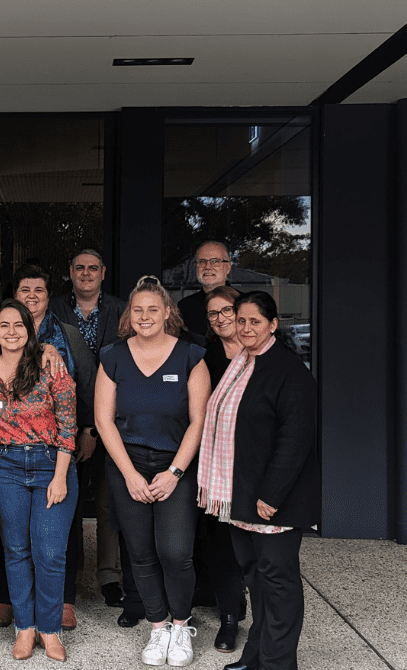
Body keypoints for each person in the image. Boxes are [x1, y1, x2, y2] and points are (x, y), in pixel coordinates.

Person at [198, 291, 319, 670]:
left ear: (272, 325)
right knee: (256, 579)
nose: (246, 327)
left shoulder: (288, 371)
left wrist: (271, 494)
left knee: (278, 583)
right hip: (242, 496)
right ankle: (257, 658)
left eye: (255, 321)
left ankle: (279, 664)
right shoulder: (242, 365)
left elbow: (295, 439)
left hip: (273, 501)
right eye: (242, 320)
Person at [95, 276, 210, 668]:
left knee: (175, 552)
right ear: (129, 315)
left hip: (175, 465)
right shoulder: (112, 356)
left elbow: (199, 421)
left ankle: (181, 626)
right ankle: (158, 627)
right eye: (138, 310)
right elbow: (103, 420)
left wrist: (175, 471)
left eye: (153, 309)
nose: (145, 316)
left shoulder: (191, 356)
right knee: (141, 553)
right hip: (127, 464)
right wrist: (129, 474)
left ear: (167, 313)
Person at [0, 264, 94, 632]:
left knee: (50, 553)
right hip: (5, 466)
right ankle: (24, 628)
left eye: (19, 325)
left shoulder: (52, 364)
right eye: (4, 325)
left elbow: (68, 424)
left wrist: (62, 474)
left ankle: (50, 629)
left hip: (51, 462)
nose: (12, 331)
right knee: (15, 551)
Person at [47, 249, 139, 625]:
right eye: (79, 268)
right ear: (70, 273)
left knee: (107, 504)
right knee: (65, 504)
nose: (86, 273)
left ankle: (108, 577)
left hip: (114, 421)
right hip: (64, 423)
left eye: (93, 268)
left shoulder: (121, 309)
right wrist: (83, 427)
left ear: (103, 273)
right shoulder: (51, 308)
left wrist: (98, 426)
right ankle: (69, 581)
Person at [195, 285, 248, 654]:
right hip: (213, 460)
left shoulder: (260, 352)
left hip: (250, 461)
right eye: (213, 314)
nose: (221, 319)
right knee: (216, 536)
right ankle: (228, 615)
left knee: (244, 540)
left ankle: (234, 609)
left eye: (227, 310)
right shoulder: (205, 355)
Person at [176, 241, 234, 342]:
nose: (207, 267)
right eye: (202, 261)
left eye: (215, 261)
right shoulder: (184, 307)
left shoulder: (244, 302)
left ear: (228, 267)